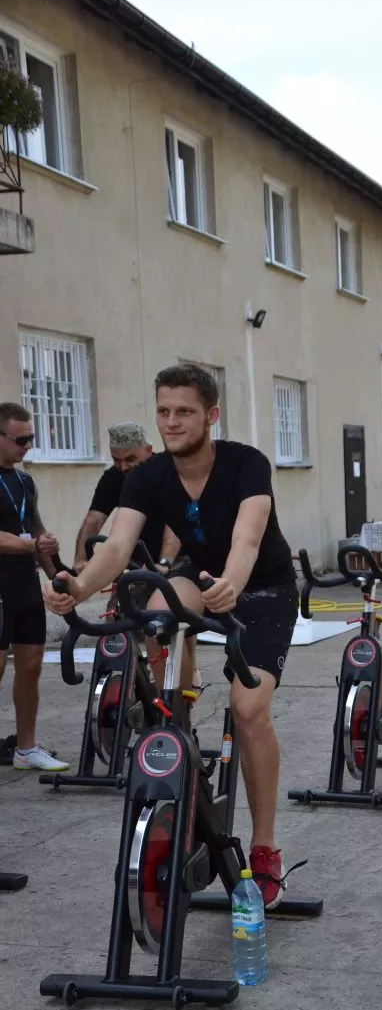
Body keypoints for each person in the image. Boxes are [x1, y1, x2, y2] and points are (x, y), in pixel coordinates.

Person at [45, 364, 298, 909]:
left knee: (248, 709)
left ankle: (266, 846)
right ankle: (174, 728)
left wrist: (232, 583)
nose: (171, 422)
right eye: (163, 411)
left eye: (184, 411)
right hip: (199, 579)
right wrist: (79, 586)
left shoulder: (246, 463)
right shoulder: (148, 474)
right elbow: (115, 549)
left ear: (210, 415)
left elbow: (249, 537)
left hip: (261, 590)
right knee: (156, 608)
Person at [0, 402, 68, 772]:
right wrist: (30, 544)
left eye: (32, 439)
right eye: (20, 439)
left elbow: (37, 530)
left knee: (30, 667)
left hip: (24, 584)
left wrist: (56, 573)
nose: (28, 446)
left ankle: (25, 748)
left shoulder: (24, 481)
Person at [73, 421, 178, 572]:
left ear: (148, 450)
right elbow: (94, 520)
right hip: (137, 561)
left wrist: (164, 562)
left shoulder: (167, 471)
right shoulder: (113, 477)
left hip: (176, 558)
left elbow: (174, 521)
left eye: (130, 459)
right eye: (116, 460)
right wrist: (81, 560)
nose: (123, 467)